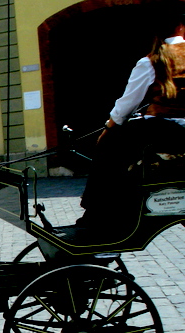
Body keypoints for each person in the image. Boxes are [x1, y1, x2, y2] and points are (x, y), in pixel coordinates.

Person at [79, 8, 185, 230]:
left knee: (110, 144)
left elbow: (125, 106)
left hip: (170, 131)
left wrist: (108, 128)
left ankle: (96, 211)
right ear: (181, 27)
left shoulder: (151, 61)